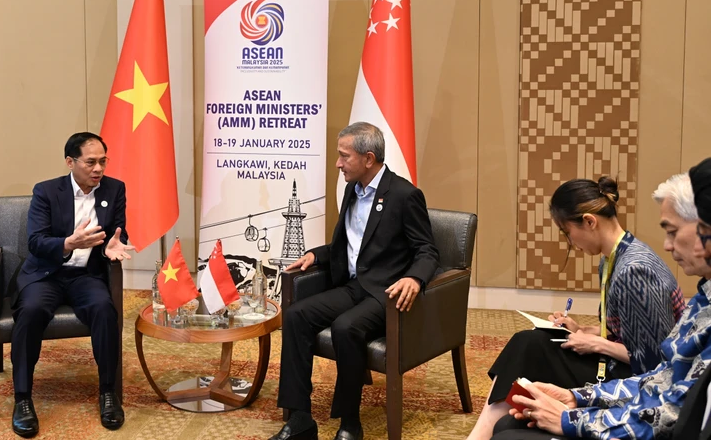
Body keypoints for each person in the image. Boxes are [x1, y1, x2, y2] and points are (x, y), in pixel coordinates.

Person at [489, 166, 711, 439]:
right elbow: (662, 373)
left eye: (567, 232)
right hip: (641, 391)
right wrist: (578, 392)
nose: (667, 245)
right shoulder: (618, 261)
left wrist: (575, 414)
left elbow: (652, 365)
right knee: (530, 345)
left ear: (589, 221)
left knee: (529, 353)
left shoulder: (635, 270)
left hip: (627, 378)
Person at [269, 122, 440, 440]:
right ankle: (301, 418)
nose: (338, 163)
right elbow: (350, 243)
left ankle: (350, 423)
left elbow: (427, 250)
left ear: (369, 158)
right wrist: (316, 256)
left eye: (344, 156)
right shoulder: (351, 189)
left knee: (347, 328)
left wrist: (415, 279)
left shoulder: (404, 195)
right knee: (296, 316)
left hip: (383, 292)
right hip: (351, 286)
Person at [10, 132, 134, 437]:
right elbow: (36, 242)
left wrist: (111, 247)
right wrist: (68, 242)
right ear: (70, 162)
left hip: (85, 276)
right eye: (91, 162)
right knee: (31, 311)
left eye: (103, 161)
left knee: (105, 310)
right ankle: (23, 398)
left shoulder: (114, 189)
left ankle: (108, 392)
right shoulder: (47, 191)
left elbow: (119, 232)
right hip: (47, 274)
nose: (98, 169)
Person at [673, 158, 711, 440]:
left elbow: (645, 360)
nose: (699, 248)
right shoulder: (704, 292)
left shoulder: (635, 269)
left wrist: (573, 417)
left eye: (704, 233)